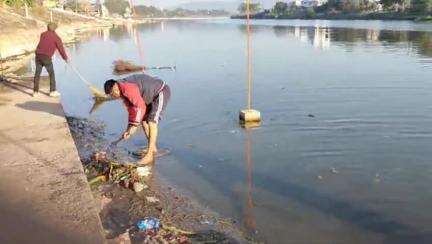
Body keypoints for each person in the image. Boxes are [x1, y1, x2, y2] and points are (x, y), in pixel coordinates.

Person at [104, 73, 171, 165]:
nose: (113, 97)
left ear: (115, 87)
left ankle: (149, 155)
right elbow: (132, 110)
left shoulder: (127, 88)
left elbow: (140, 107)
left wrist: (134, 125)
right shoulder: (123, 93)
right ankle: (153, 149)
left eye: (112, 94)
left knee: (152, 122)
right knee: (144, 121)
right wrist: (128, 129)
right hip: (148, 97)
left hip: (161, 92)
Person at [33, 22, 68, 97]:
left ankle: (35, 92)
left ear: (48, 27)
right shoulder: (56, 38)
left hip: (38, 55)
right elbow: (61, 49)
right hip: (46, 57)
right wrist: (65, 58)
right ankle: (52, 91)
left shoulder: (43, 34)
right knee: (51, 74)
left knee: (37, 73)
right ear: (55, 29)